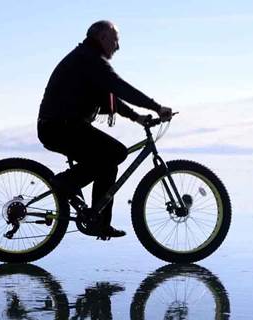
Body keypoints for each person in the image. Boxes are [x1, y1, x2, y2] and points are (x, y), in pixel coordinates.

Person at [37, 20, 172, 240]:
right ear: (102, 38)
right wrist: (156, 107)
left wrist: (137, 117)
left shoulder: (87, 58)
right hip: (60, 127)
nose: (117, 47)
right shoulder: (89, 58)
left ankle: (99, 223)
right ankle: (65, 182)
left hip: (60, 126)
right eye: (116, 40)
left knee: (108, 163)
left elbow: (109, 97)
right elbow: (119, 86)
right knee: (116, 153)